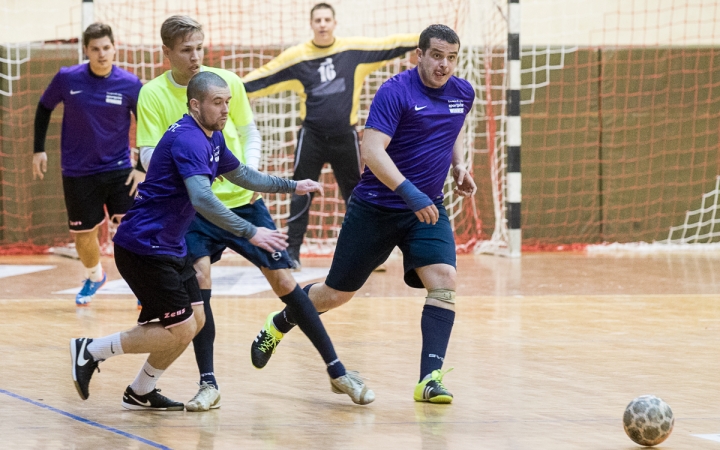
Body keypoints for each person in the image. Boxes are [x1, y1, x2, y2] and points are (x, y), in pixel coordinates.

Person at [70, 71, 373, 411]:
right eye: (217, 103)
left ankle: (140, 390)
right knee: (180, 328)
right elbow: (201, 198)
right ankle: (91, 350)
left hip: (169, 246)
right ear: (195, 104)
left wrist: (292, 184)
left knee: (194, 321)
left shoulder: (212, 137)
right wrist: (251, 231)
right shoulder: (188, 139)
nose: (226, 110)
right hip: (144, 247)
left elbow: (243, 174)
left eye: (228, 102)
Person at [136, 15, 373, 412]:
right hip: (194, 210)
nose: (196, 57)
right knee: (200, 280)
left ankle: (337, 372)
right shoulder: (153, 94)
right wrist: (191, 173)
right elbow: (147, 153)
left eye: (200, 47)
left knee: (283, 277)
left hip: (243, 200)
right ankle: (208, 383)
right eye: (186, 51)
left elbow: (249, 133)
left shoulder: (223, 83)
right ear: (167, 53)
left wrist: (251, 174)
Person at [250, 24, 477, 404]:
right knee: (336, 294)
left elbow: (454, 127)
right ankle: (280, 322)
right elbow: (372, 151)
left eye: (451, 58)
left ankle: (430, 379)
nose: (444, 65)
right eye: (436, 56)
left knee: (444, 279)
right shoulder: (395, 91)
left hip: (426, 208)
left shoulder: (462, 92)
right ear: (419, 55)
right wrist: (408, 192)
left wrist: (459, 166)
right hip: (377, 207)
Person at [242, 2, 417, 270]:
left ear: (334, 23)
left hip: (345, 137)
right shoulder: (298, 57)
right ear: (311, 25)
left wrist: (423, 38)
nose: (322, 24)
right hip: (311, 137)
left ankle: (366, 253)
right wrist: (231, 87)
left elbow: (390, 44)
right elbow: (265, 76)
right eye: (318, 20)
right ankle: (293, 253)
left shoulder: (352, 52)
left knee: (357, 196)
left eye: (327, 19)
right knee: (300, 193)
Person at [33, 22, 144, 306]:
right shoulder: (67, 78)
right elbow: (44, 107)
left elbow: (148, 124)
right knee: (84, 235)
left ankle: (146, 288)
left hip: (120, 169)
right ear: (86, 50)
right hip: (78, 171)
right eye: (95, 49)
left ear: (114, 48)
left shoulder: (130, 85)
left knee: (135, 230)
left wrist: (141, 167)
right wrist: (38, 150)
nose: (102, 54)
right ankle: (95, 276)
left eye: (106, 47)